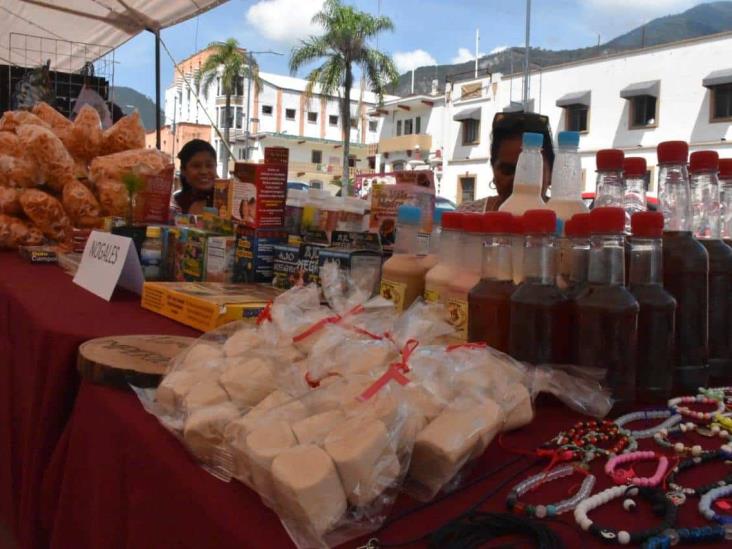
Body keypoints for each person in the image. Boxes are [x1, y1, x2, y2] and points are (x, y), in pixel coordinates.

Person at [458, 111, 555, 212]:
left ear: (551, 174)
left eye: (530, 171)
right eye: (508, 170)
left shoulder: (566, 219)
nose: (518, 181)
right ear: (493, 170)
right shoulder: (468, 215)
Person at [173, 139, 217, 214]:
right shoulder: (174, 205)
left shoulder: (228, 204)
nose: (204, 171)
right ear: (183, 170)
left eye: (209, 165)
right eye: (196, 166)